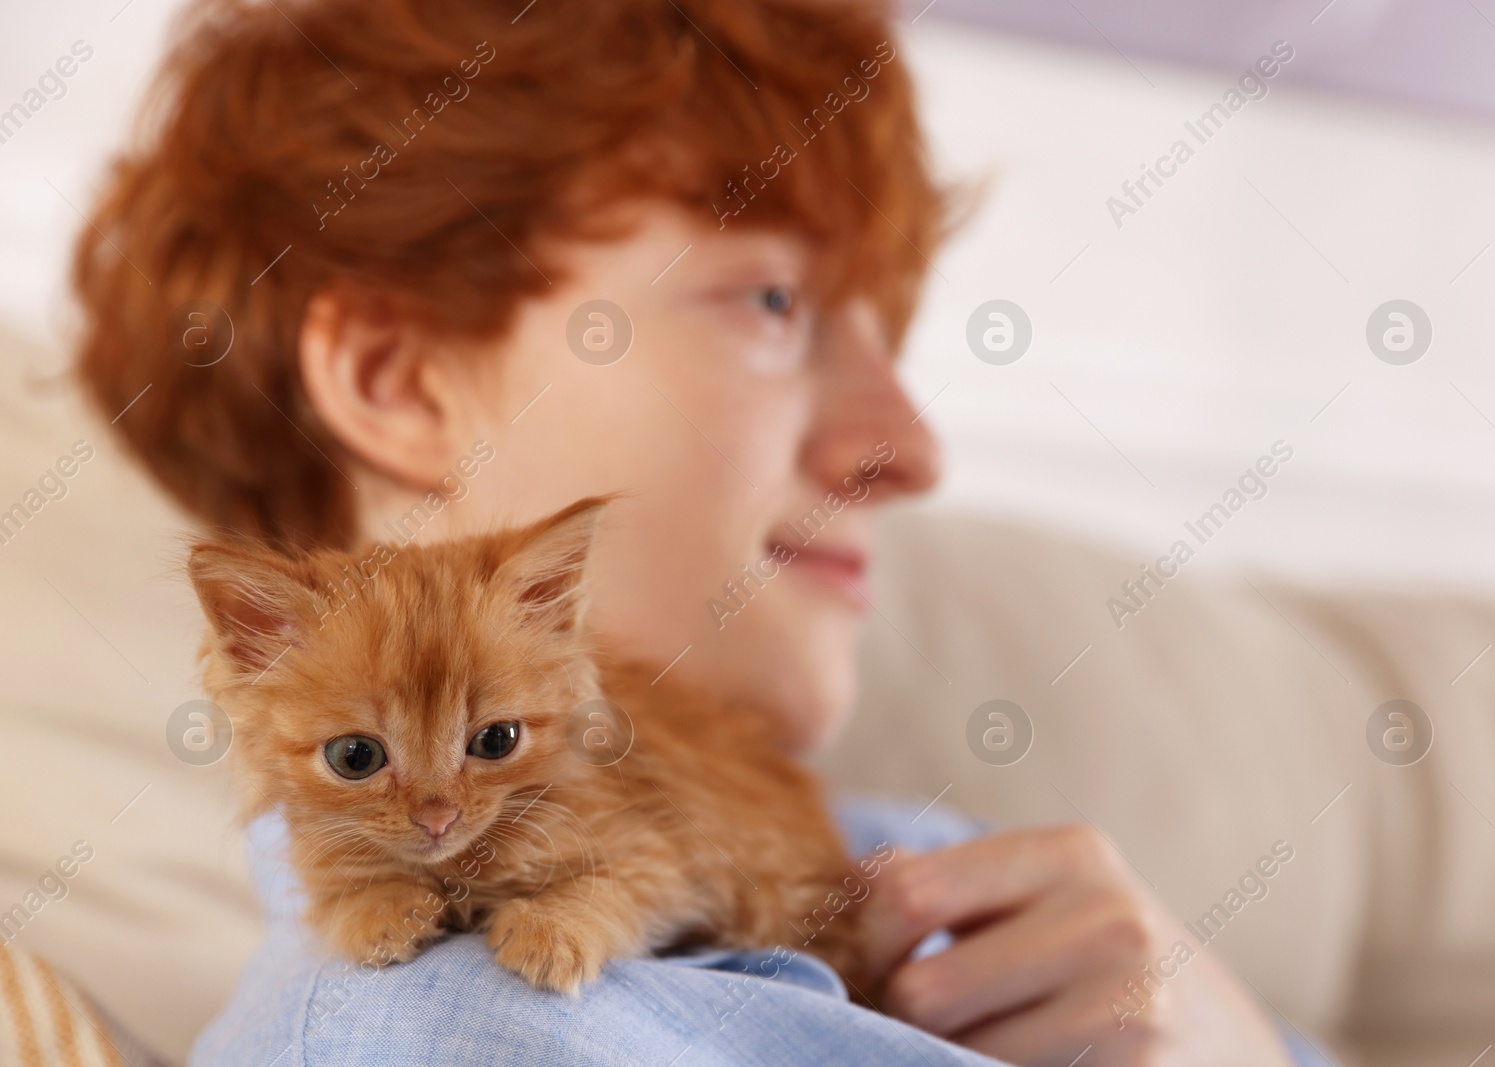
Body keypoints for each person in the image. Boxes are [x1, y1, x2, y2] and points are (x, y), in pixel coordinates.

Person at [73, 0, 1332, 1062]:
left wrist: (1233, 1035)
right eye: (774, 299)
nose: (911, 445)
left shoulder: (945, 863)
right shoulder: (452, 1022)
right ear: (397, 378)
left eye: (890, 337)